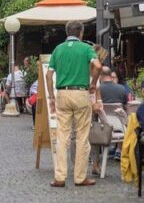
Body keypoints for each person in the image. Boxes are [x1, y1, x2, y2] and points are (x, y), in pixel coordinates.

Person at [45, 19, 101, 188]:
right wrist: (93, 83)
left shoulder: (58, 49)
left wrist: (51, 97)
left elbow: (48, 75)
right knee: (82, 137)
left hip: (62, 93)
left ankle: (60, 177)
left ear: (67, 32)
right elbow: (97, 66)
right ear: (81, 33)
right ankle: (79, 177)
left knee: (63, 137)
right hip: (80, 92)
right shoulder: (86, 48)